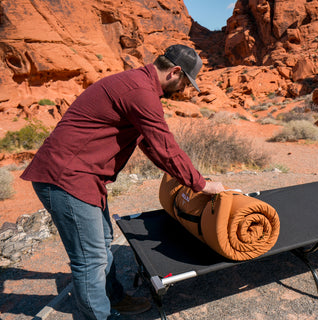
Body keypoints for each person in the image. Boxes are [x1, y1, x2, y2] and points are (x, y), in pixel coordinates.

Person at [21, 44, 225, 319]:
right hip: (67, 178)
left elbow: (150, 145)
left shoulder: (138, 84)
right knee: (89, 260)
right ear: (175, 71)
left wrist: (183, 177)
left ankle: (113, 298)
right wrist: (201, 185)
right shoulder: (141, 91)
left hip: (82, 177)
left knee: (102, 241)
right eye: (185, 81)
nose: (184, 89)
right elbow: (164, 144)